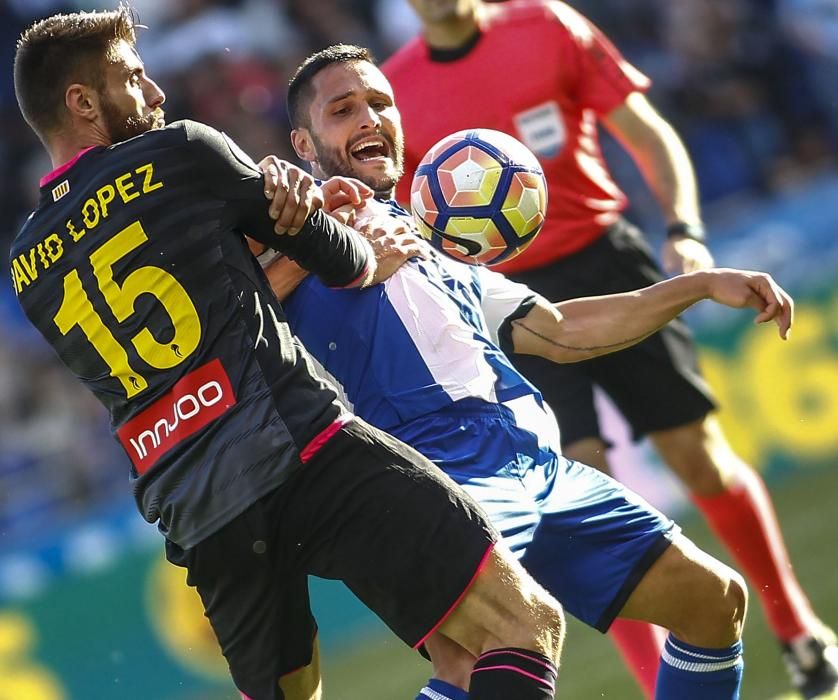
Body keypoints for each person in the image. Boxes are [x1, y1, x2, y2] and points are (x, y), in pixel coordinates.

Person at [10, 9, 570, 700]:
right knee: (524, 624)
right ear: (82, 101)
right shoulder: (181, 151)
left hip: (195, 505)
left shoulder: (26, 263)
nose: (155, 92)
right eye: (133, 76)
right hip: (304, 449)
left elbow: (190, 314)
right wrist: (326, 219)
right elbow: (343, 265)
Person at [259, 44, 795, 700]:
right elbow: (226, 317)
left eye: (380, 103)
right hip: (430, 477)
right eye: (343, 110)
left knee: (715, 603)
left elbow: (562, 333)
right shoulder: (291, 225)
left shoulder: (433, 235)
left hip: (535, 466)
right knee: (475, 661)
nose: (369, 118)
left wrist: (700, 287)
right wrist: (342, 258)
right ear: (305, 145)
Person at [382, 2, 838, 697]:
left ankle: (799, 630)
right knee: (586, 481)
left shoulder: (547, 26)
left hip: (608, 263)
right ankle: (663, 684)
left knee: (699, 455)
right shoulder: (395, 93)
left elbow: (647, 133)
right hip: (510, 302)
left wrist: (684, 229)